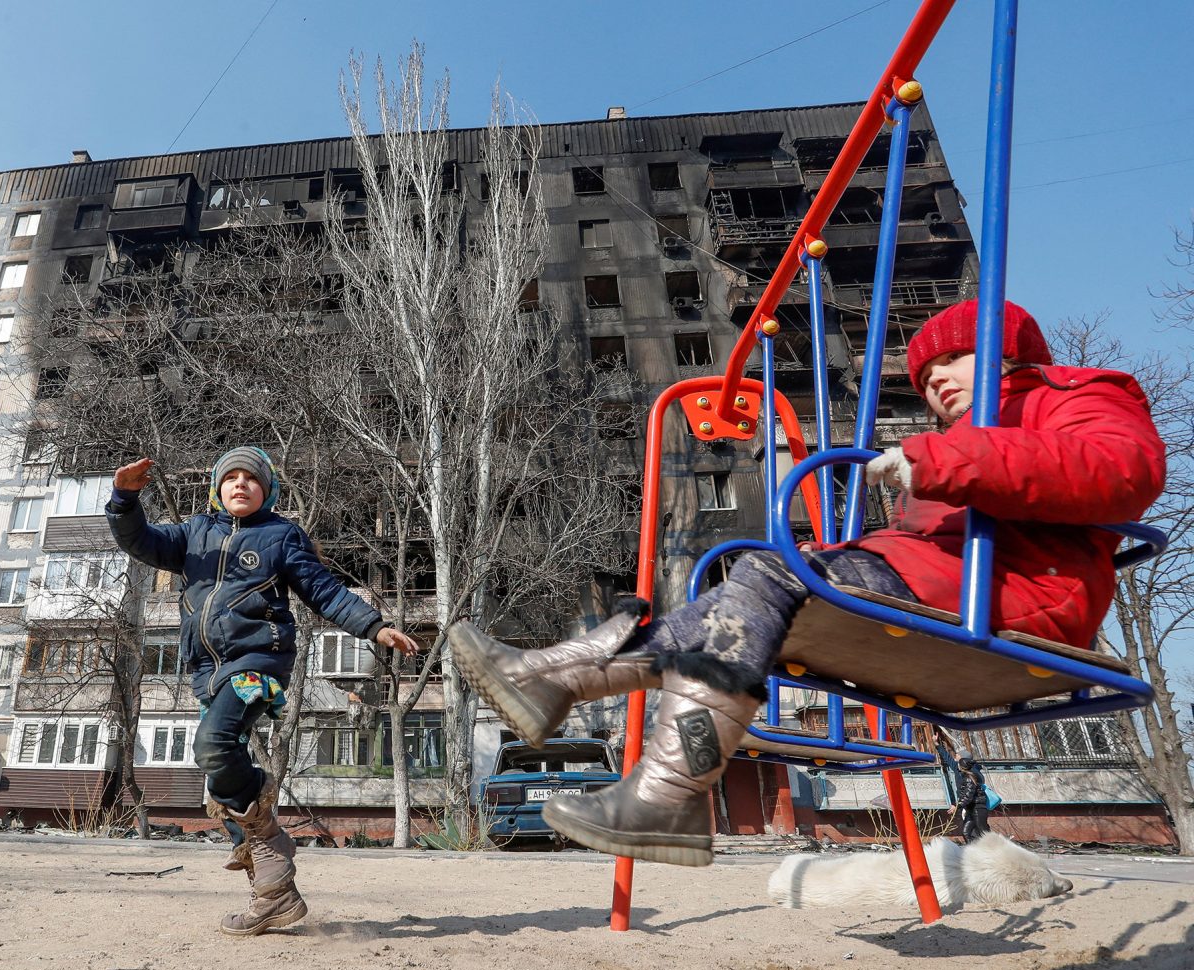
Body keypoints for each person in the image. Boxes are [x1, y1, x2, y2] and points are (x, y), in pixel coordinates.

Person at [449, 299, 1165, 867]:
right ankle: (570, 690)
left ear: (1007, 351)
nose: (937, 380)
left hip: (1019, 594)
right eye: (925, 376)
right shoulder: (955, 446)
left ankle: (639, 764)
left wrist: (949, 462)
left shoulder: (1068, 395)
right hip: (946, 585)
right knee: (734, 605)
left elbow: (1125, 470)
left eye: (955, 358)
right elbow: (923, 547)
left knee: (768, 570)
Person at [107, 446, 419, 935]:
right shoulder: (193, 534)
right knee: (218, 771)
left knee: (213, 745)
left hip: (258, 661)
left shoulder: (280, 535)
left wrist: (373, 626)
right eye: (230, 477)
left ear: (267, 491)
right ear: (216, 488)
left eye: (251, 478)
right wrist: (124, 499)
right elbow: (139, 541)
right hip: (207, 671)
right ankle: (273, 892)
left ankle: (267, 834)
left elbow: (323, 590)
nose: (240, 484)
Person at [951, 751, 992, 842]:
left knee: (983, 833)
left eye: (959, 764)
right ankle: (973, 849)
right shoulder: (966, 777)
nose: (957, 766)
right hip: (971, 809)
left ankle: (994, 848)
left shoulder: (969, 778)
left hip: (978, 809)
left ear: (962, 767)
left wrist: (956, 806)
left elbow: (967, 796)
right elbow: (965, 795)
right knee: (966, 832)